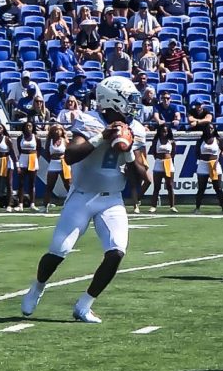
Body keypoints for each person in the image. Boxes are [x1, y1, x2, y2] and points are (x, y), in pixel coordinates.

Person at [20, 76, 149, 323]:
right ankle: (37, 286)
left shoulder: (137, 129)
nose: (134, 105)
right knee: (59, 251)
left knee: (116, 252)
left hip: (111, 200)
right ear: (112, 99)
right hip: (82, 196)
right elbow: (70, 156)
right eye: (129, 100)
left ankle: (84, 305)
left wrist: (130, 150)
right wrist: (102, 137)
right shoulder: (88, 120)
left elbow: (140, 178)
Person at [193, 124, 223, 213]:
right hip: (203, 165)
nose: (210, 130)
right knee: (201, 188)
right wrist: (202, 158)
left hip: (215, 165)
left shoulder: (218, 140)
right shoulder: (200, 140)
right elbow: (196, 152)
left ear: (214, 129)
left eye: (211, 128)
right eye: (208, 128)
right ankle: (197, 208)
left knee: (218, 187)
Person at [146, 124, 177, 213]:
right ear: (159, 131)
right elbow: (154, 153)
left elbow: (173, 153)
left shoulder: (171, 141)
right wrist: (160, 159)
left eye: (166, 131)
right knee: (157, 187)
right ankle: (153, 206)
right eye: (163, 131)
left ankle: (172, 206)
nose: (164, 133)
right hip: (158, 163)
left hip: (168, 163)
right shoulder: (156, 141)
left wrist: (168, 160)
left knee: (170, 186)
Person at [42, 124, 71, 214]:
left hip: (64, 164)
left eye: (59, 130)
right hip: (53, 163)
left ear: (62, 131)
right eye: (55, 130)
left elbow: (69, 152)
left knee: (68, 185)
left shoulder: (65, 140)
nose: (57, 132)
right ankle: (45, 206)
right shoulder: (49, 141)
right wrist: (52, 158)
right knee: (49, 186)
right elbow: (47, 153)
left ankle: (71, 205)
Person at [14, 121, 41, 211]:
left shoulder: (36, 138)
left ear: (33, 127)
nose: (28, 127)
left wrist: (36, 159)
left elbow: (39, 150)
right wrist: (18, 163)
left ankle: (32, 204)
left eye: (30, 126)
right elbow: (19, 150)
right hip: (23, 159)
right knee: (21, 183)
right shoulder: (20, 138)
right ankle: (20, 204)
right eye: (26, 126)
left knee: (32, 183)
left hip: (33, 158)